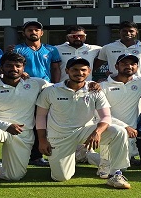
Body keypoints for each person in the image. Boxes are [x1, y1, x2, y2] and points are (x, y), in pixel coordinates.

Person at [35, 57, 132, 189]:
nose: (79, 73)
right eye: (75, 69)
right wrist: (42, 140)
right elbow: (40, 116)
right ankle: (84, 154)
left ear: (88, 71)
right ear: (67, 70)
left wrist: (97, 132)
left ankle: (115, 173)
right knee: (60, 177)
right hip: (60, 136)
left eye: (83, 70)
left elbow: (106, 117)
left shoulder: (94, 90)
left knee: (119, 131)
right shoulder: (51, 90)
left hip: (85, 132)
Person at [0, 52, 50, 195]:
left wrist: (91, 85)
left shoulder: (36, 83)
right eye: (9, 65)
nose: (14, 69)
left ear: (23, 68)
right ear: (1, 68)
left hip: (23, 132)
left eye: (18, 66)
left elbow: (60, 88)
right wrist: (6, 125)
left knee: (14, 176)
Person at [93, 54, 141, 173]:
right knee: (109, 169)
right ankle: (85, 155)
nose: (129, 66)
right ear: (116, 66)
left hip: (133, 132)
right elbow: (99, 114)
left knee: (125, 164)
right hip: (111, 129)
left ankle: (128, 157)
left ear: (137, 67)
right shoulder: (103, 85)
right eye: (124, 63)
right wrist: (124, 126)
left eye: (133, 64)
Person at [12, 20, 62, 167]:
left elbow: (55, 69)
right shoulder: (18, 49)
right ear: (24, 33)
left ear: (41, 33)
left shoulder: (51, 50)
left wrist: (55, 85)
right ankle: (27, 154)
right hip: (25, 90)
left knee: (46, 122)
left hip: (46, 89)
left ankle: (41, 154)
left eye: (36, 30)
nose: (33, 32)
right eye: (29, 30)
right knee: (28, 121)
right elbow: (13, 67)